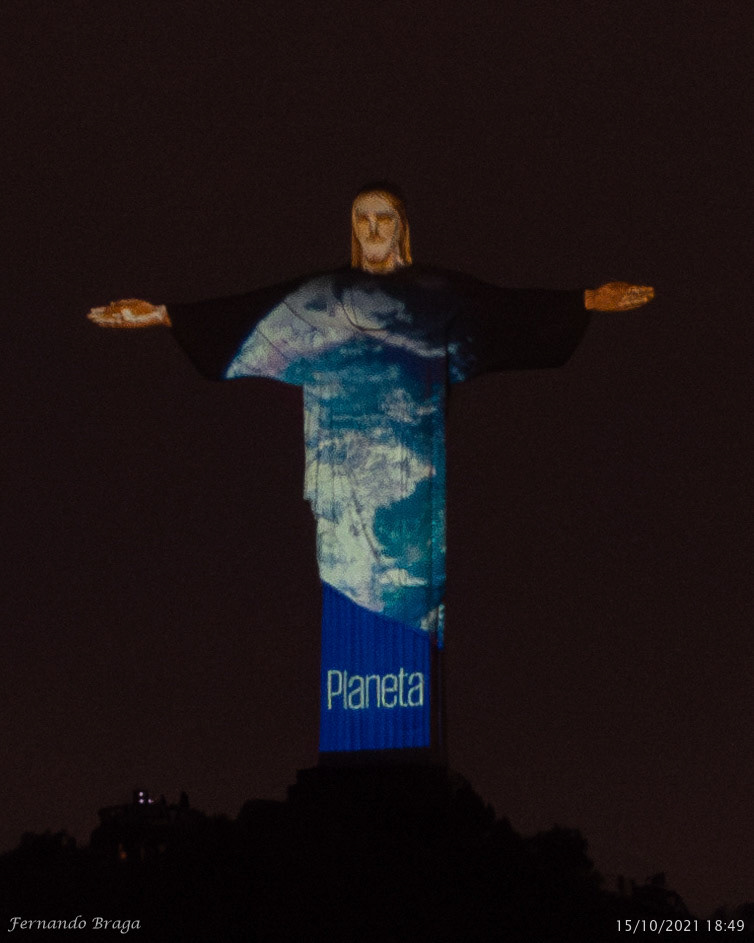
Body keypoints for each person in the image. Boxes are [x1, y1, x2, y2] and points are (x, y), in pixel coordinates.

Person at [88, 184, 654, 757]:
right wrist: (161, 314)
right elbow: (245, 312)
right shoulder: (320, 298)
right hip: (340, 487)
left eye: (384, 218)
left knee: (409, 609)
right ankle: (357, 739)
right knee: (348, 598)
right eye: (363, 218)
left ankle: (405, 740)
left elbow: (505, 312)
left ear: (402, 227)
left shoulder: (435, 296)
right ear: (352, 227)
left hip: (410, 489)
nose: (374, 229)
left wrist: (584, 301)